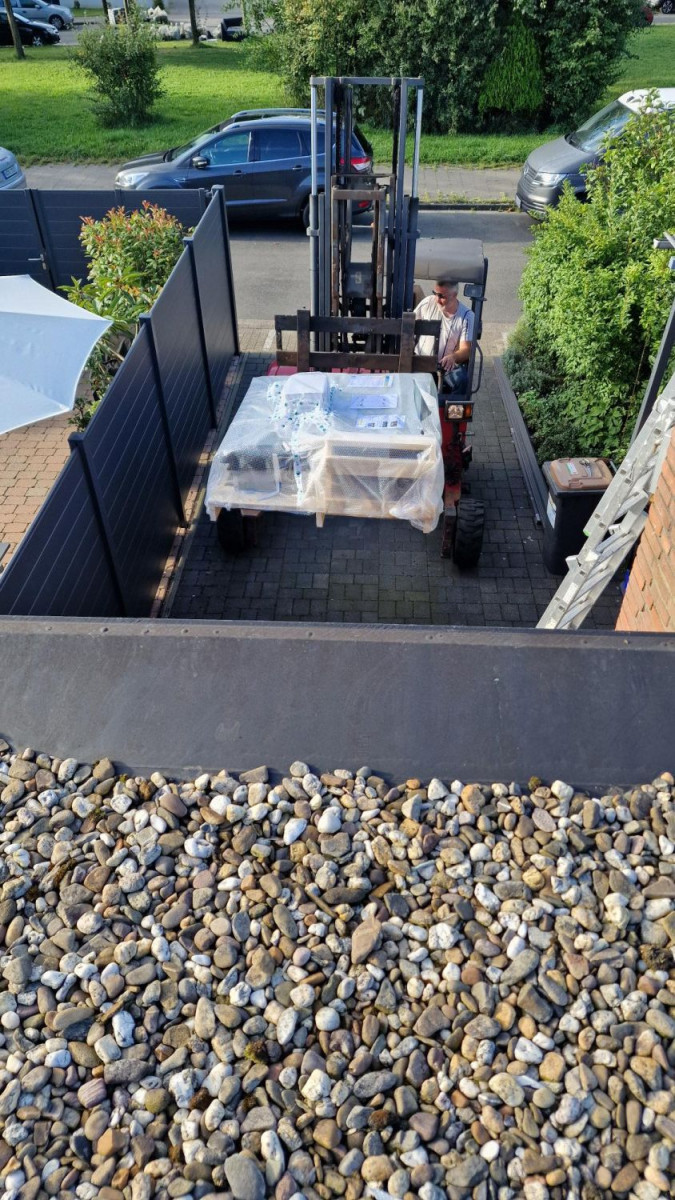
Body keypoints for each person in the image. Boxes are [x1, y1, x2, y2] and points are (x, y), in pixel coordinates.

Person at [414, 278, 474, 393]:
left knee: (462, 380)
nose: (437, 299)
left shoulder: (467, 316)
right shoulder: (428, 302)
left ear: (454, 295)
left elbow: (466, 350)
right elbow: (409, 326)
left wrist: (453, 357)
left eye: (442, 296)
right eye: (435, 293)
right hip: (422, 363)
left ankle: (452, 405)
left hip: (446, 368)